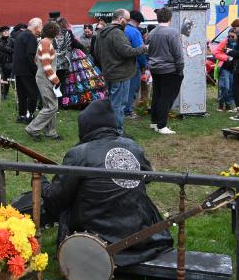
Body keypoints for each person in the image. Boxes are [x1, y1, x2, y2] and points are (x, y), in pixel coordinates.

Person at [41, 99, 173, 266]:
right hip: (140, 233)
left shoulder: (78, 154)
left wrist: (42, 182)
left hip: (96, 236)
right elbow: (148, 177)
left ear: (86, 126)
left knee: (69, 200)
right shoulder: (132, 146)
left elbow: (56, 199)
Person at [94, 9, 147, 131]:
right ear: (120, 19)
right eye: (127, 20)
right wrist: (144, 48)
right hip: (120, 74)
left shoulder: (101, 32)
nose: (127, 23)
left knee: (113, 104)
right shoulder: (116, 33)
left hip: (109, 72)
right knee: (118, 105)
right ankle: (117, 131)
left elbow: (97, 53)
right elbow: (127, 52)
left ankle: (111, 129)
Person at [147, 7, 184, 135]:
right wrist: (180, 69)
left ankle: (154, 122)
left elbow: (148, 51)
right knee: (166, 97)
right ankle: (162, 125)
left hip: (155, 68)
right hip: (170, 69)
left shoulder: (151, 33)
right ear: (170, 18)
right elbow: (178, 54)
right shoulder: (172, 32)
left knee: (157, 95)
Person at [25, 21, 62, 141]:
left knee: (49, 104)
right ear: (55, 32)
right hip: (46, 77)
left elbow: (38, 61)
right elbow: (46, 65)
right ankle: (32, 129)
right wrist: (55, 80)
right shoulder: (46, 43)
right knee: (52, 106)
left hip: (43, 76)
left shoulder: (44, 42)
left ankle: (51, 132)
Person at [13, 17, 43, 123]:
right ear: (36, 27)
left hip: (18, 70)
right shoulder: (30, 37)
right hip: (27, 70)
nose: (41, 29)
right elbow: (30, 56)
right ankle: (29, 115)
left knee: (22, 94)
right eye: (41, 26)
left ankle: (22, 115)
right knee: (32, 94)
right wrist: (36, 70)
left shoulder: (20, 35)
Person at [52, 17, 85, 101]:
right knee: (61, 82)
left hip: (52, 61)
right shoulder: (68, 32)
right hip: (64, 61)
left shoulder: (51, 33)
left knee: (51, 81)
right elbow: (75, 43)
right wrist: (84, 49)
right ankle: (60, 102)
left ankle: (49, 100)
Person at [123, 10, 147, 120]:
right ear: (137, 21)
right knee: (132, 89)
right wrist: (144, 64)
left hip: (121, 65)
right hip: (134, 65)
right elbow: (140, 50)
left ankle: (122, 109)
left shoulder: (122, 29)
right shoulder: (135, 32)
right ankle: (128, 111)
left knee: (123, 89)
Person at [213, 29, 237, 112]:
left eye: (232, 36)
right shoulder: (224, 42)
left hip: (234, 68)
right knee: (225, 87)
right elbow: (216, 53)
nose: (230, 38)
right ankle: (221, 103)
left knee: (231, 88)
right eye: (229, 36)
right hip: (225, 67)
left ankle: (228, 105)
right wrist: (226, 58)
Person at [0, 25, 14, 100]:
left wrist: (7, 49)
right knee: (2, 78)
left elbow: (13, 51)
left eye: (7, 31)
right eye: (4, 31)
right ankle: (2, 93)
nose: (6, 32)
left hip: (9, 63)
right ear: (1, 33)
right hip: (0, 63)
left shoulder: (12, 40)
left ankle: (5, 93)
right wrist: (9, 49)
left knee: (7, 80)